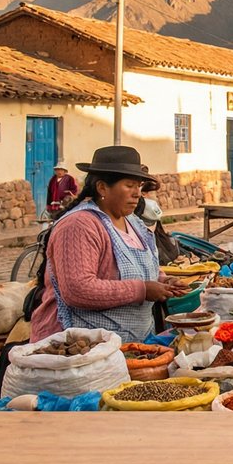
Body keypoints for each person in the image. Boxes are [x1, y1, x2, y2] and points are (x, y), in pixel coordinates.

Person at [29, 146, 185, 344]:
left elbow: (140, 267)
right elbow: (78, 290)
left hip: (131, 343)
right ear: (102, 188)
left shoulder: (133, 222)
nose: (137, 194)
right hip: (80, 349)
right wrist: (143, 290)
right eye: (129, 185)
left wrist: (163, 281)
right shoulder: (79, 225)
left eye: (139, 186)